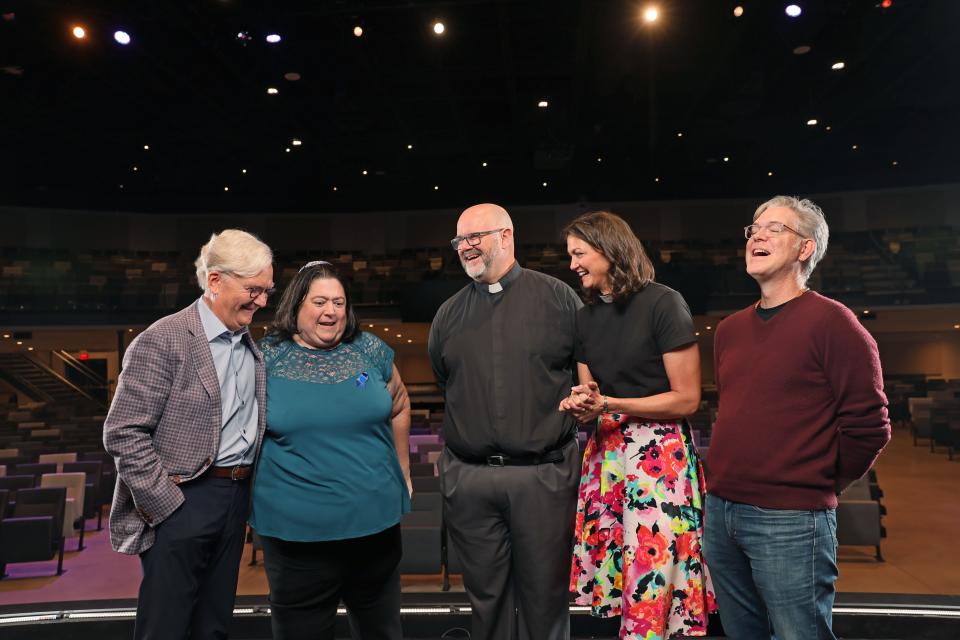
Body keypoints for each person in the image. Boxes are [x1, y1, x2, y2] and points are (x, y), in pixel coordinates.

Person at [704, 196, 891, 640]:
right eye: (754, 228)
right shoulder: (729, 330)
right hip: (721, 512)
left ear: (805, 249)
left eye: (775, 229)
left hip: (790, 518)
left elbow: (870, 427)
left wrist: (817, 481)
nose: (758, 236)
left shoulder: (834, 323)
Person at [103, 229, 274, 639]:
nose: (263, 301)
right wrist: (168, 506)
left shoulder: (250, 344)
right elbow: (123, 432)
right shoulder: (163, 339)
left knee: (214, 625)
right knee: (166, 626)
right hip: (183, 499)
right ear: (215, 281)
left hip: (235, 498)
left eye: (268, 291)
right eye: (254, 289)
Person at [428, 203, 583, 640]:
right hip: (472, 481)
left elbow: (585, 374)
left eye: (476, 237)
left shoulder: (559, 299)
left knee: (546, 598)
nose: (466, 247)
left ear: (508, 237)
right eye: (460, 240)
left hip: (544, 476)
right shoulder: (447, 314)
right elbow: (446, 381)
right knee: (486, 600)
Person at [560, 211, 716, 640]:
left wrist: (610, 403)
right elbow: (592, 391)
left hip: (658, 458)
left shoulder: (664, 302)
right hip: (607, 456)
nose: (572, 263)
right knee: (620, 582)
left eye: (579, 253)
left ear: (610, 250)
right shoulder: (585, 317)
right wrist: (582, 403)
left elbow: (686, 398)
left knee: (655, 582)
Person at [249, 260, 411, 640]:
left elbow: (400, 406)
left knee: (383, 632)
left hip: (376, 530)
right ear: (295, 306)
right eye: (319, 301)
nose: (331, 311)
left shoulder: (370, 350)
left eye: (338, 302)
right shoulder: (264, 358)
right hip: (296, 540)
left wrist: (402, 470)